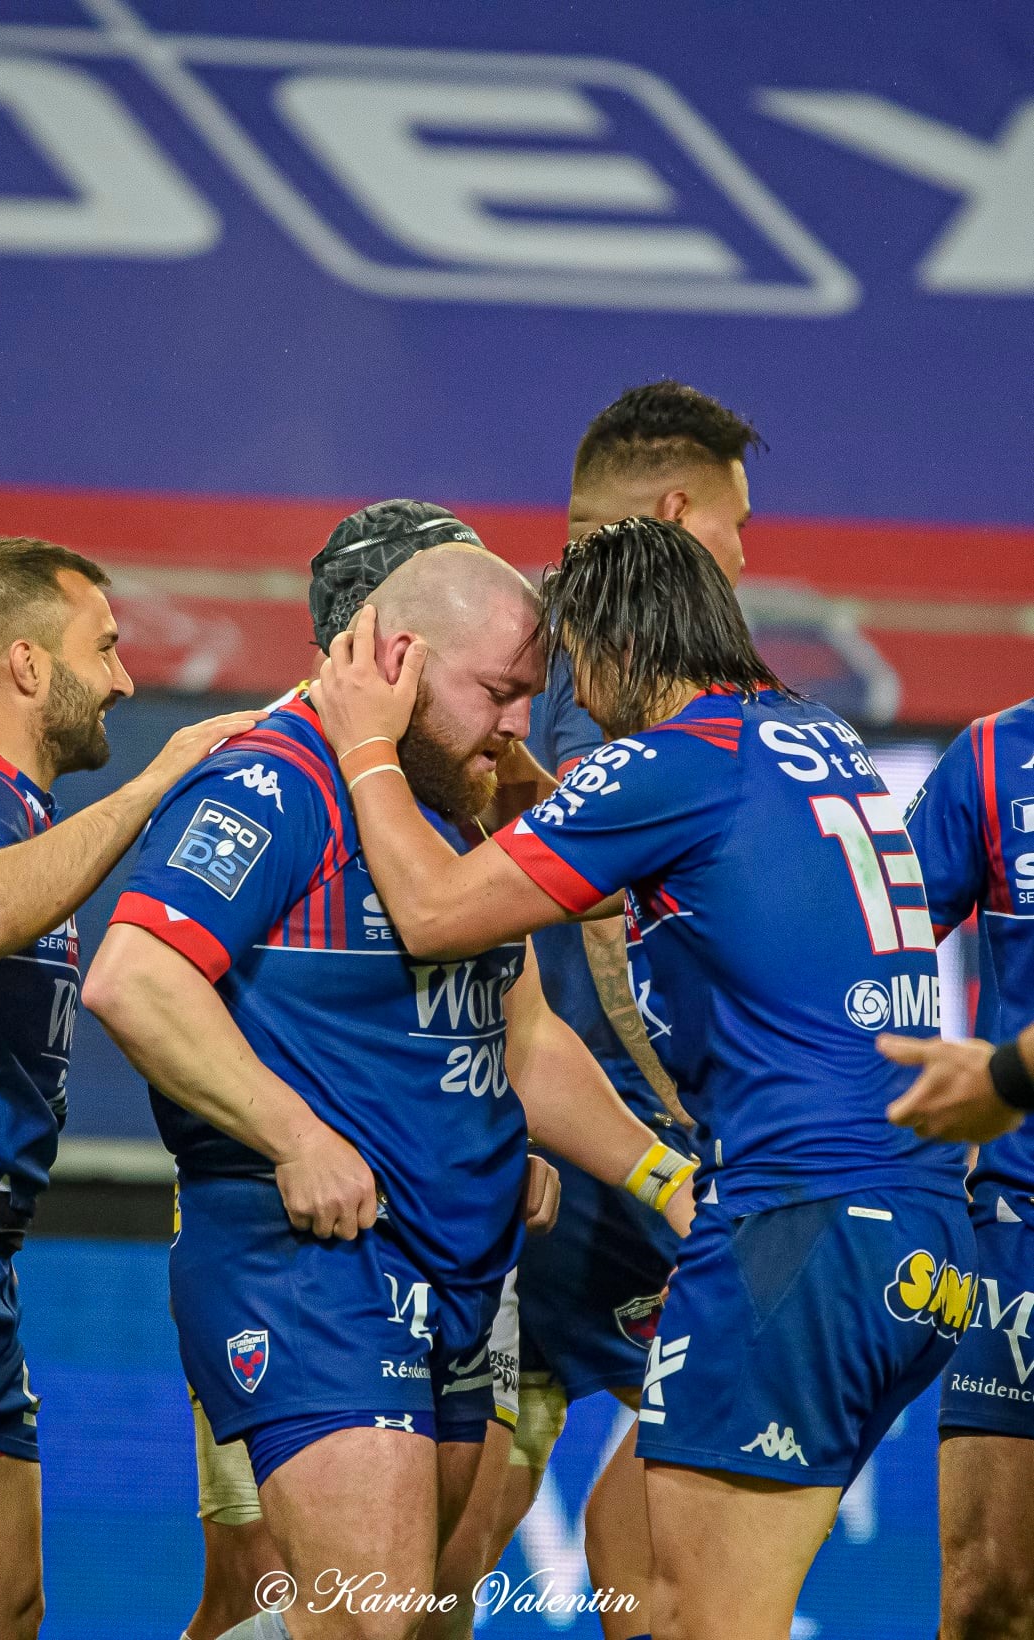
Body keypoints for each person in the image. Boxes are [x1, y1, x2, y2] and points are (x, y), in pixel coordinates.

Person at [310, 516, 977, 1640]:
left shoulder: (669, 763)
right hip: (913, 1234)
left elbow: (431, 913)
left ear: (617, 647)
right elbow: (674, 846)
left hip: (792, 1225)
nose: (570, 696)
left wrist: (368, 745)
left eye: (572, 663)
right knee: (627, 1546)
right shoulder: (805, 734)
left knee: (707, 1616)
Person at [83, 539, 695, 1640]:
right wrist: (294, 1136)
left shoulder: (454, 798)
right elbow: (134, 978)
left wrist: (652, 1175)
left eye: (530, 694)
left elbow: (520, 1042)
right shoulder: (277, 781)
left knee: (401, 1619)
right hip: (315, 1265)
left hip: (459, 1270)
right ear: (400, 659)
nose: (518, 723)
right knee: (367, 1618)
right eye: (498, 692)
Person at [0, 535, 259, 1637]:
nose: (124, 679)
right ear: (26, 663)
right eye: (104, 647)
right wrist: (155, 782)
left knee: (4, 1612)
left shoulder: (17, 814)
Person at [480, 380, 761, 1640]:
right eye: (737, 526)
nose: (745, 556)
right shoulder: (608, 669)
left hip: (534, 1154)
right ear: (678, 513)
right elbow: (603, 934)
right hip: (605, 1170)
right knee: (658, 1540)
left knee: (464, 1539)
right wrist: (684, 1130)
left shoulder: (502, 642)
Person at [880, 704, 1034, 1639]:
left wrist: (1006, 1076)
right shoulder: (989, 757)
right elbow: (866, 943)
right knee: (984, 1597)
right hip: (1020, 1218)